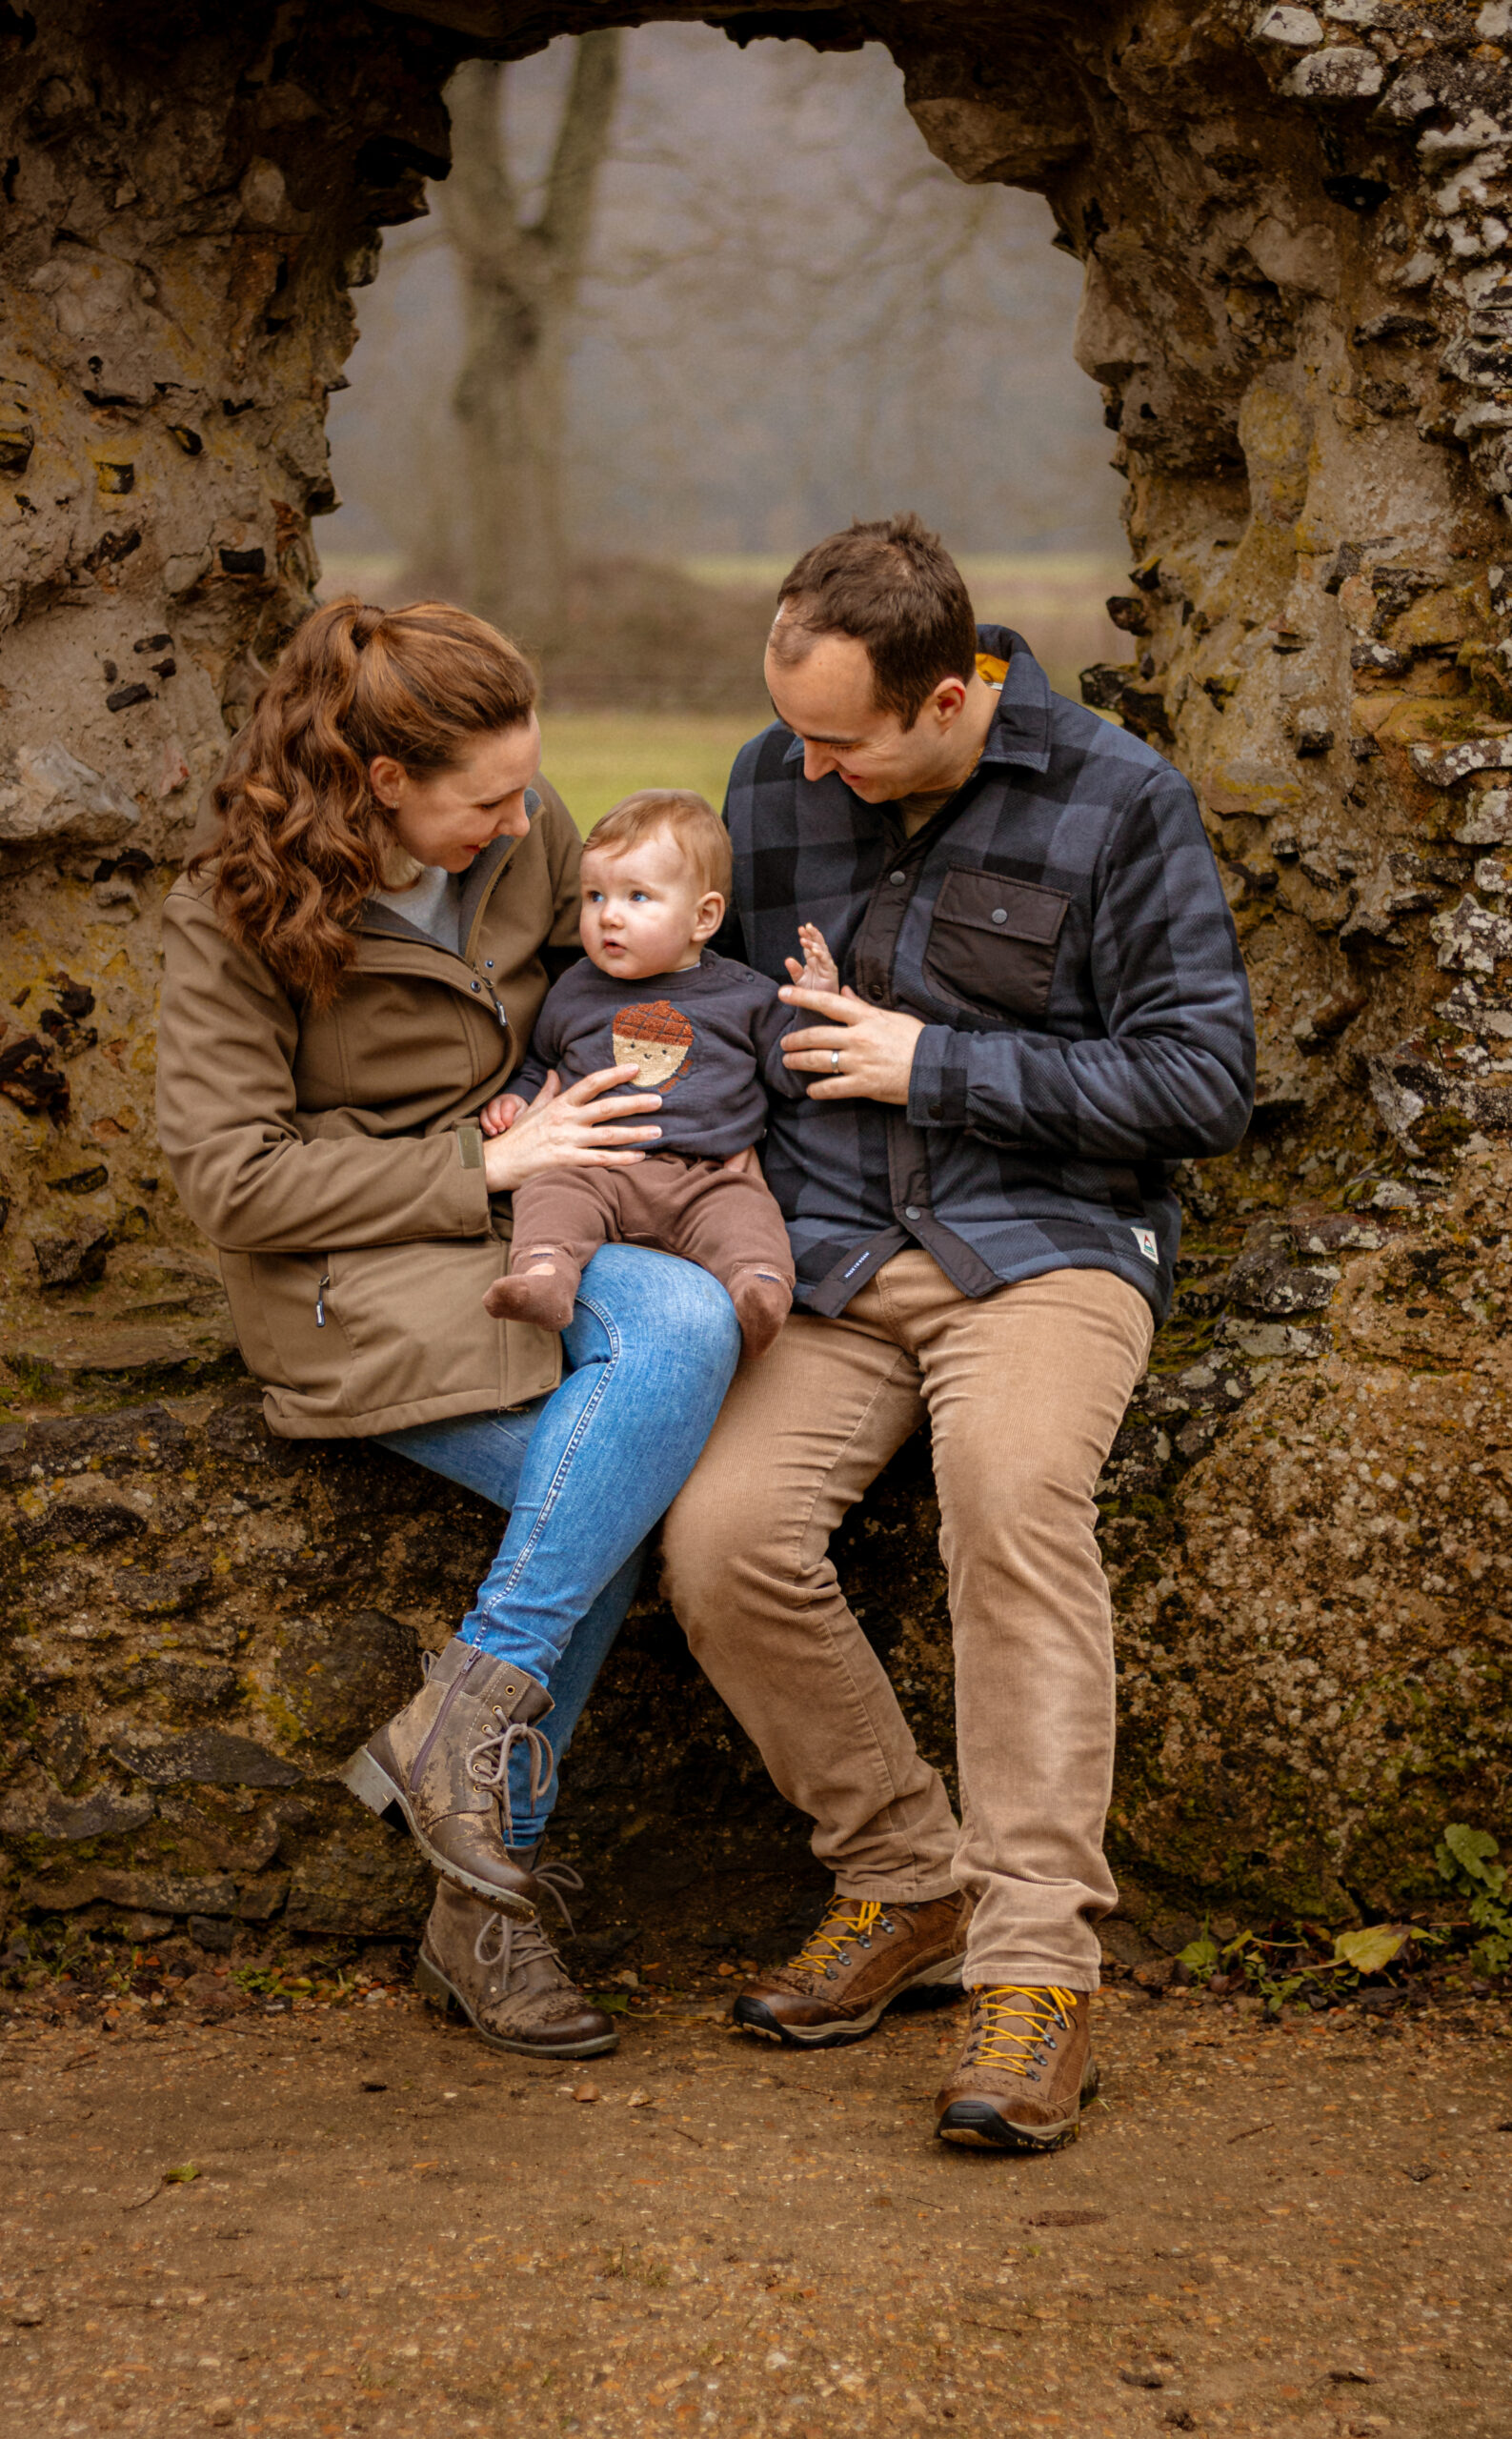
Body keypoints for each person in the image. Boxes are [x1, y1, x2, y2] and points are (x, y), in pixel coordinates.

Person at [661, 514, 1255, 2151]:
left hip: (1045, 1251)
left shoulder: (1116, 796)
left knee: (1008, 1508)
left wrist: (932, 1065)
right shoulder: (771, 779)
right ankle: (903, 1882)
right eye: (791, 728)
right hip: (834, 1252)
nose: (803, 764)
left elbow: (1202, 1084)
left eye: (838, 740)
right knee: (717, 1542)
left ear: (945, 700)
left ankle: (1036, 1970)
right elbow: (715, 1001)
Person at [156, 598, 741, 2063]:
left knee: (674, 1323)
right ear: (377, 784)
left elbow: (606, 980)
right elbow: (231, 1182)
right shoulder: (229, 913)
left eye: (522, 786)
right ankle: (488, 1906)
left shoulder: (523, 830)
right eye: (483, 799)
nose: (519, 818)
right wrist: (473, 1165)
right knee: (601, 1479)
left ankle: (454, 1737)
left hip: (542, 1219)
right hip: (355, 1274)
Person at [479, 788, 830, 1359]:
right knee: (549, 1195)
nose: (608, 915)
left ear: (704, 917)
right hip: (596, 1165)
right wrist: (516, 1104)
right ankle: (544, 1276)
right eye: (594, 896)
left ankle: (759, 1290)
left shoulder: (745, 997)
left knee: (748, 1218)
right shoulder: (575, 989)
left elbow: (791, 1074)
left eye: (637, 896)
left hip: (707, 1175)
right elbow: (543, 1063)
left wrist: (810, 1008)